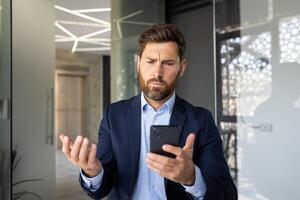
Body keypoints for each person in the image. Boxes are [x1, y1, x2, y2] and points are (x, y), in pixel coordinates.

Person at [60, 24, 237, 200]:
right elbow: (101, 189)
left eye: (167, 63)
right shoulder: (114, 115)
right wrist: (93, 172)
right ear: (138, 64)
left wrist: (192, 178)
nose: (157, 73)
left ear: (182, 67)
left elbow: (227, 194)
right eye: (150, 62)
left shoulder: (201, 120)